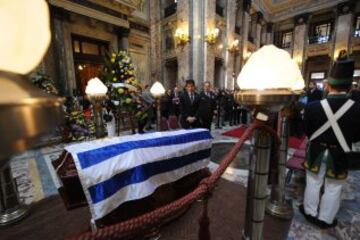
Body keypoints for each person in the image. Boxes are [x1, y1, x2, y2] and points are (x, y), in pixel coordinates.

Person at [300, 56, 360, 229]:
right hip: (340, 153)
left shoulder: (313, 107)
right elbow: (357, 136)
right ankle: (326, 219)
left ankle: (310, 212)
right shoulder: (357, 109)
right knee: (333, 187)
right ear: (349, 87)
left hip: (316, 151)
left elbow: (307, 130)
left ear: (328, 85)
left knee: (313, 182)